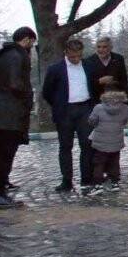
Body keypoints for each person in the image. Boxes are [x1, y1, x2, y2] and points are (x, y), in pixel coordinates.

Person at [42, 39, 96, 193]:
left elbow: (94, 87)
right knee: (65, 146)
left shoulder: (88, 66)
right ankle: (66, 180)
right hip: (65, 111)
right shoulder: (55, 69)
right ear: (66, 52)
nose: (76, 59)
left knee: (87, 145)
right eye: (73, 57)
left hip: (85, 108)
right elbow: (47, 92)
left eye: (79, 56)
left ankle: (86, 178)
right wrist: (58, 105)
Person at [0, 26, 36, 208]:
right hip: (9, 114)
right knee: (5, 153)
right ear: (27, 39)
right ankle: (0, 194)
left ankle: (2, 188)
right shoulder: (16, 56)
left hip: (6, 113)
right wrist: (27, 97)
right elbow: (15, 83)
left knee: (5, 153)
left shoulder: (6, 54)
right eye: (32, 42)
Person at [87, 84, 128, 189]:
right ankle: (115, 180)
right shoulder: (125, 108)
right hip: (116, 140)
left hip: (100, 141)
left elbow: (92, 121)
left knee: (99, 162)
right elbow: (124, 122)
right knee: (115, 161)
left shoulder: (98, 107)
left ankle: (97, 182)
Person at [86, 36, 128, 101]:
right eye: (99, 47)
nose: (101, 49)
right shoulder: (89, 61)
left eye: (104, 47)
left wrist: (126, 102)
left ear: (110, 48)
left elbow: (124, 80)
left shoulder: (118, 59)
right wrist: (99, 81)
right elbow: (87, 82)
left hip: (115, 100)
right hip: (97, 101)